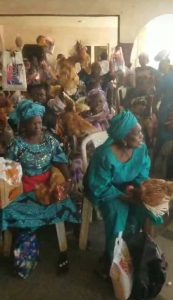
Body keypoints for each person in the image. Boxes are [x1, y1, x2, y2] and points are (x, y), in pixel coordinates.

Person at [0, 100, 79, 273]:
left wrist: (68, 180)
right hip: (23, 189)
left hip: (47, 188)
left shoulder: (50, 142)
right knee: (10, 211)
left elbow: (61, 161)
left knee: (65, 202)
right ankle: (24, 240)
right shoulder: (17, 145)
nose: (38, 127)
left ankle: (27, 236)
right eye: (33, 123)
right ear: (24, 125)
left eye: (39, 123)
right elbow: (9, 169)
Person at [84, 110, 161, 277]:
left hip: (129, 187)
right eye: (137, 133)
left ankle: (140, 251)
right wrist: (124, 196)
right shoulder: (104, 155)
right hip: (106, 190)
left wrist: (138, 191)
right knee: (118, 212)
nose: (142, 136)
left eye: (141, 131)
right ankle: (115, 260)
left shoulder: (140, 149)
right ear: (124, 138)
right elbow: (98, 185)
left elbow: (142, 173)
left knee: (146, 209)